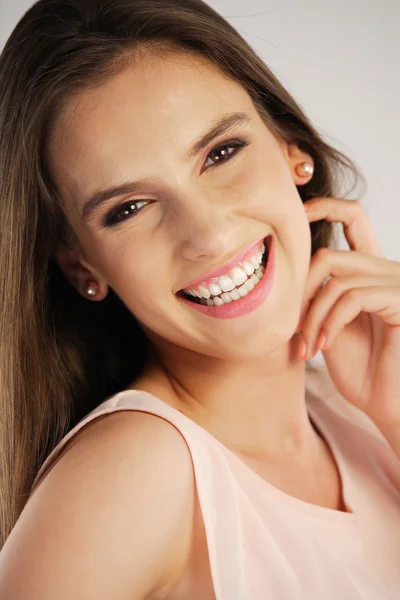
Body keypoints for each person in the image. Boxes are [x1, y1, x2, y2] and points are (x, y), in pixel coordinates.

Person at [0, 0, 399, 598]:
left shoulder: (352, 414)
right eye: (128, 209)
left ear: (291, 146)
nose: (207, 234)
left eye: (220, 153)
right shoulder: (134, 473)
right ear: (83, 262)